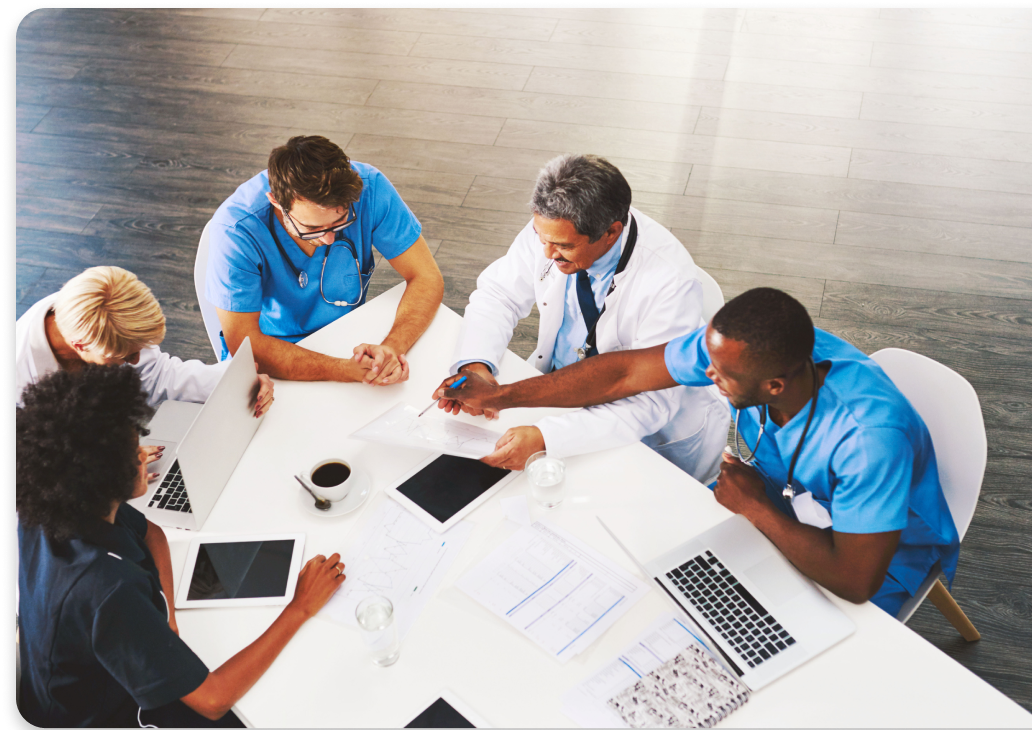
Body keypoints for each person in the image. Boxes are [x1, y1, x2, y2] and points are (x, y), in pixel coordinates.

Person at [433, 288, 960, 616]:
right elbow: (627, 371)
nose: (706, 377)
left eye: (722, 377)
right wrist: (500, 396)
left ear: (775, 385)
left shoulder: (868, 442)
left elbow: (856, 580)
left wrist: (754, 507)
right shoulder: (749, 350)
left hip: (885, 552)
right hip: (785, 501)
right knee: (655, 581)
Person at [15, 366, 347, 728]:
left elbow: (152, 533)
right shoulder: (107, 589)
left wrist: (166, 617)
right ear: (100, 478)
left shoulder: (58, 505)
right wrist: (300, 606)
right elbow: (214, 699)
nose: (144, 454)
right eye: (133, 454)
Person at [434, 154, 728, 481]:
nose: (546, 253)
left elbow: (649, 401)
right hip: (561, 393)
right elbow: (498, 295)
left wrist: (549, 438)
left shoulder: (671, 283)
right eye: (541, 238)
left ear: (611, 232)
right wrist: (478, 364)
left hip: (648, 431)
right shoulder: (553, 226)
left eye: (562, 246)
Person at [205, 135, 443, 385]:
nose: (329, 239)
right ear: (276, 201)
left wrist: (393, 347)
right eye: (312, 228)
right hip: (271, 357)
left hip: (347, 338)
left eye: (340, 221)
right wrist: (342, 370)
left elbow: (426, 276)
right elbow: (244, 345)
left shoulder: (370, 188)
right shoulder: (235, 231)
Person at [15, 265, 274, 417]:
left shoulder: (103, 315)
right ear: (81, 345)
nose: (136, 361)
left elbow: (159, 374)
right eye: (126, 357)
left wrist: (236, 380)